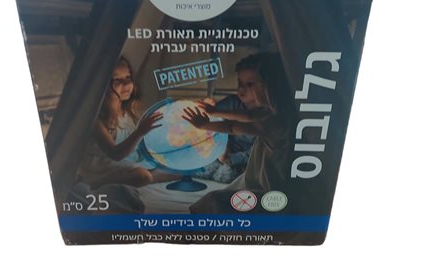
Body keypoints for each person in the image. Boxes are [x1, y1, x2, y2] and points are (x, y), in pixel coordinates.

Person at [182, 53, 295, 212]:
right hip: (258, 177)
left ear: (269, 87)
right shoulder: (270, 113)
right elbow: (246, 117)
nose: (243, 90)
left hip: (271, 188)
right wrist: (214, 112)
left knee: (213, 201)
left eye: (252, 85)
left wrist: (205, 124)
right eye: (241, 84)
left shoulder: (275, 122)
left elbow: (233, 127)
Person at [79, 57, 169, 188]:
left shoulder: (128, 112)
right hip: (103, 167)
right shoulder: (96, 119)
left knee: (175, 168)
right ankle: (97, 183)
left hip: (128, 160)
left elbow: (134, 145)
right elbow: (116, 154)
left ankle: (153, 175)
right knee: (143, 176)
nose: (126, 84)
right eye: (117, 80)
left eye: (128, 77)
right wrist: (140, 132)